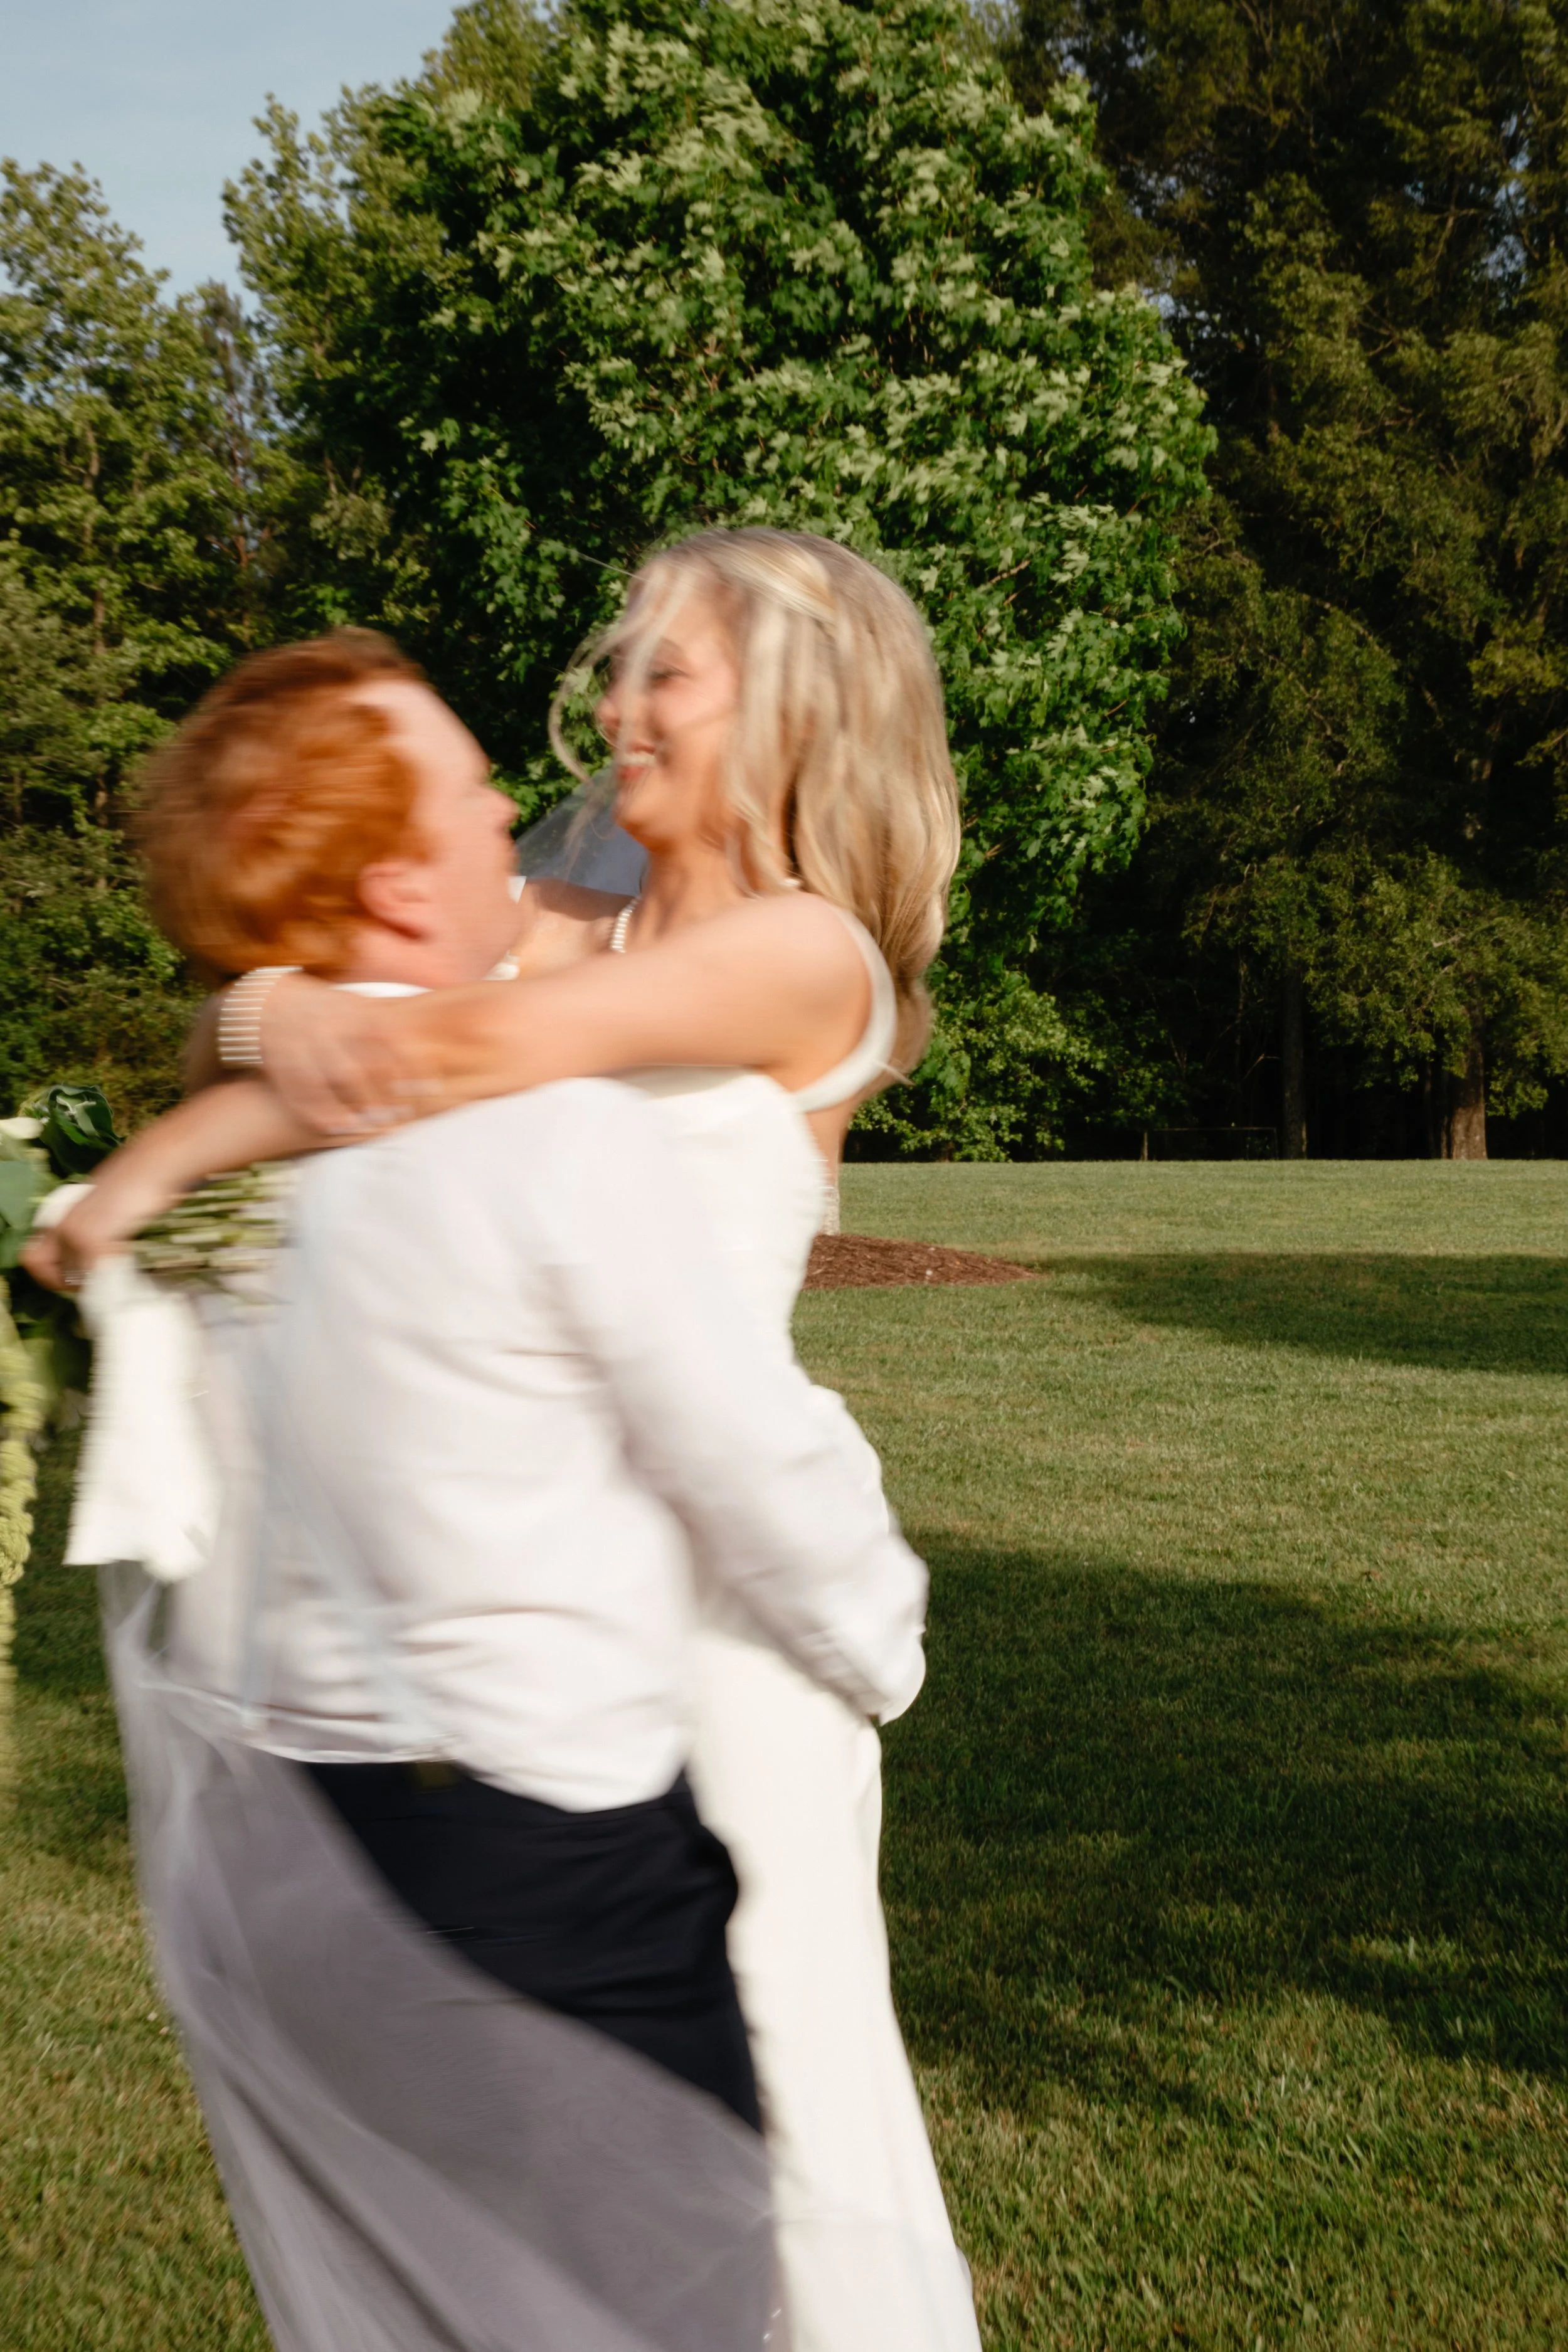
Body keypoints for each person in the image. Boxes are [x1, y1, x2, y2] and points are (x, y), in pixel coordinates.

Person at [36, 531, 980, 2352]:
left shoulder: (805, 952)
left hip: (726, 1612)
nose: (613, 707)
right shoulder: (578, 902)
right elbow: (284, 989)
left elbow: (444, 1045)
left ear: (789, 709)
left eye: (666, 675)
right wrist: (271, 1003)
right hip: (532, 1568)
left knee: (764, 2101)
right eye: (619, 664)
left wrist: (184, 1133)